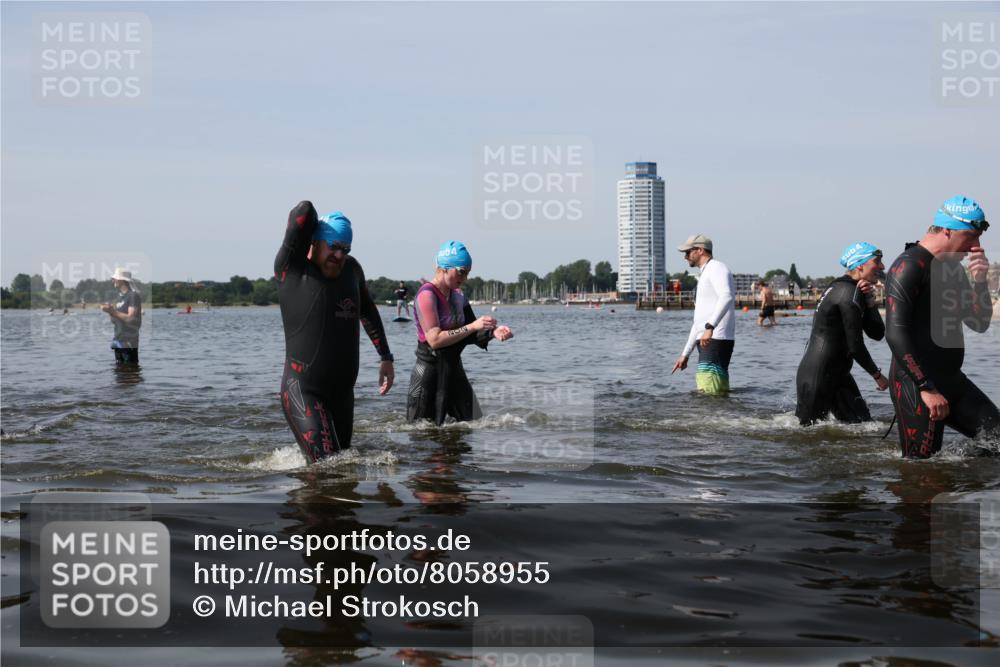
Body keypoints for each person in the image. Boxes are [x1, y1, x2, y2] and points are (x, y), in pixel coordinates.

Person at [274, 201, 394, 462]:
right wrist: (317, 225)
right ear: (314, 242)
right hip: (303, 389)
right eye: (333, 246)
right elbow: (302, 212)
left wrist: (386, 357)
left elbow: (368, 311)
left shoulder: (352, 270)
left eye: (345, 248)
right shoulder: (291, 269)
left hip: (342, 394)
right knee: (327, 467)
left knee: (343, 467)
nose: (339, 255)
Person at [885, 195, 998, 458]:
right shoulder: (909, 265)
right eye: (971, 236)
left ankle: (964, 484)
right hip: (916, 384)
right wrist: (927, 387)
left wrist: (980, 281)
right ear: (947, 230)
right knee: (922, 473)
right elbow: (895, 332)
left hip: (952, 380)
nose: (976, 246)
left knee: (997, 440)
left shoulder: (954, 270)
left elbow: (979, 323)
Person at [407, 241, 513, 424]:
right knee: (423, 439)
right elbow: (435, 340)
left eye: (468, 272)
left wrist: (493, 332)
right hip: (429, 374)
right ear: (444, 268)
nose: (464, 277)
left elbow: (472, 328)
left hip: (454, 371)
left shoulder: (458, 295)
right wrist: (473, 327)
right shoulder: (426, 295)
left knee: (475, 425)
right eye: (461, 271)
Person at [795, 242, 888, 426]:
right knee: (807, 438)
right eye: (877, 261)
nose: (882, 266)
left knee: (864, 427)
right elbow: (855, 346)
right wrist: (877, 375)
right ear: (860, 265)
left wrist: (870, 303)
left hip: (839, 375)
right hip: (818, 376)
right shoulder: (847, 293)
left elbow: (877, 333)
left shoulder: (849, 289)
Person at [671, 234, 736, 395]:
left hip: (716, 338)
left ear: (700, 250)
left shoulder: (716, 268)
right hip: (709, 338)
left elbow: (727, 295)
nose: (685, 257)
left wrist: (710, 327)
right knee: (711, 391)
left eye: (688, 252)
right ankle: (720, 419)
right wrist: (685, 354)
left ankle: (716, 420)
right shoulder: (706, 273)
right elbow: (698, 322)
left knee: (709, 393)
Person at [100, 267, 141, 365]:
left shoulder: (133, 296)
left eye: (115, 278)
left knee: (130, 373)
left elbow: (130, 318)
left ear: (122, 280)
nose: (112, 280)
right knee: (119, 374)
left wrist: (113, 311)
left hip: (129, 341)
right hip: (118, 340)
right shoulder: (120, 297)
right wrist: (109, 311)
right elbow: (115, 321)